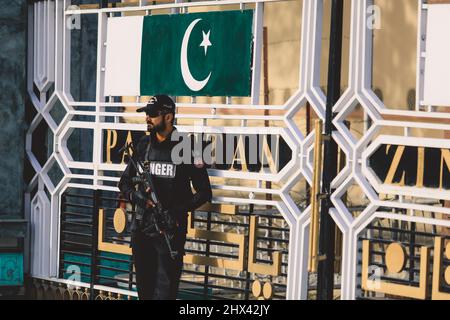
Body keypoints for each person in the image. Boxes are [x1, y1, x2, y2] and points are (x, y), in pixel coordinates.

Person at [118, 94, 212, 300]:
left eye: (152, 114)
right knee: (145, 293)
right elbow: (124, 183)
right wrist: (140, 199)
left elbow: (204, 192)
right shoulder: (143, 145)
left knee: (165, 294)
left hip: (170, 232)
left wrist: (176, 211)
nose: (147, 118)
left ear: (169, 117)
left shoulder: (187, 147)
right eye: (147, 114)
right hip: (142, 229)